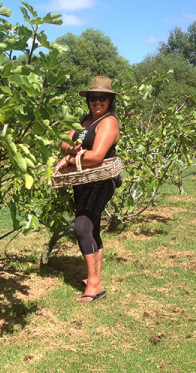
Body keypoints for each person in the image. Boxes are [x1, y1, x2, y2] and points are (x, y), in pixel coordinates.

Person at [54, 76, 121, 303]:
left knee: (82, 226)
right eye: (93, 98)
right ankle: (93, 277)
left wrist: (70, 160)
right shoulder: (85, 121)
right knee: (92, 227)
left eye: (102, 98)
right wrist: (70, 149)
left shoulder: (108, 122)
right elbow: (64, 139)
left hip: (100, 180)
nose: (97, 101)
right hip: (83, 180)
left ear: (111, 100)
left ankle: (95, 284)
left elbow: (97, 156)